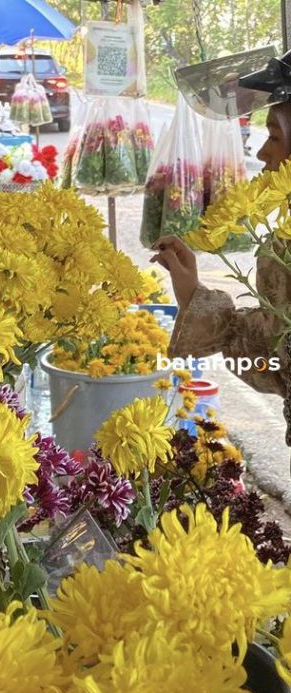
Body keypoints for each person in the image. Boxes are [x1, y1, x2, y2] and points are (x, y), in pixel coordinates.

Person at [151, 99, 291, 457]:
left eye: (274, 136)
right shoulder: (282, 248)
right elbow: (269, 356)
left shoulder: (283, 251)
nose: (262, 152)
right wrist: (192, 294)